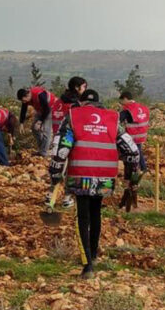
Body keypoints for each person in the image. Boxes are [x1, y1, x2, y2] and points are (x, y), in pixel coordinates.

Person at [49, 89, 141, 280]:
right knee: (96, 213)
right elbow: (132, 151)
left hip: (80, 175)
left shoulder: (73, 116)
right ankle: (93, 255)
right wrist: (130, 178)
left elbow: (61, 149)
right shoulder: (113, 118)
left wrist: (55, 175)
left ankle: (87, 265)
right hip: (105, 176)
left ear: (81, 103)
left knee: (82, 218)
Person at [17, 86, 61, 157]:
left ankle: (43, 153)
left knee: (46, 131)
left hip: (51, 108)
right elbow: (23, 110)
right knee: (34, 128)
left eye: (24, 100)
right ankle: (43, 148)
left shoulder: (40, 95)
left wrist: (40, 122)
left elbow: (47, 109)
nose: (24, 102)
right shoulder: (26, 98)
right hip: (41, 110)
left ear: (27, 95)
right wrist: (21, 123)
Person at [119, 91, 150, 171]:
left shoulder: (128, 110)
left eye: (122, 101)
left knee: (135, 153)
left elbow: (118, 119)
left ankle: (141, 169)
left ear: (125, 98)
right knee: (139, 151)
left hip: (133, 136)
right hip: (142, 135)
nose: (122, 103)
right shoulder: (142, 107)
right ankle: (142, 169)